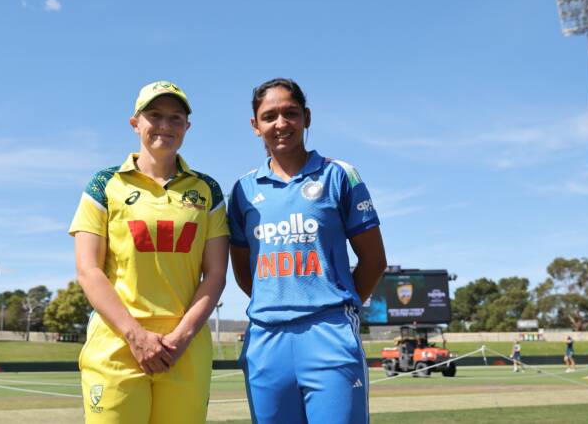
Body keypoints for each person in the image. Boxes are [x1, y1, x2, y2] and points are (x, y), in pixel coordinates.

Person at [228, 78, 387, 424]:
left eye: (291, 113)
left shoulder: (340, 175)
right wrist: (278, 300)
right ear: (255, 125)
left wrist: (337, 306)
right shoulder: (242, 190)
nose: (281, 123)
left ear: (307, 117)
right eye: (269, 116)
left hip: (329, 333)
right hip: (266, 340)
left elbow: (374, 261)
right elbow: (243, 270)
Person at [70, 80, 229, 423]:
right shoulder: (105, 183)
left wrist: (181, 338)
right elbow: (88, 270)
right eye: (155, 115)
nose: (165, 125)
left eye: (175, 118)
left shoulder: (207, 189)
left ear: (187, 127)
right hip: (117, 344)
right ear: (135, 122)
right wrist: (136, 336)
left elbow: (216, 273)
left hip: (184, 348)